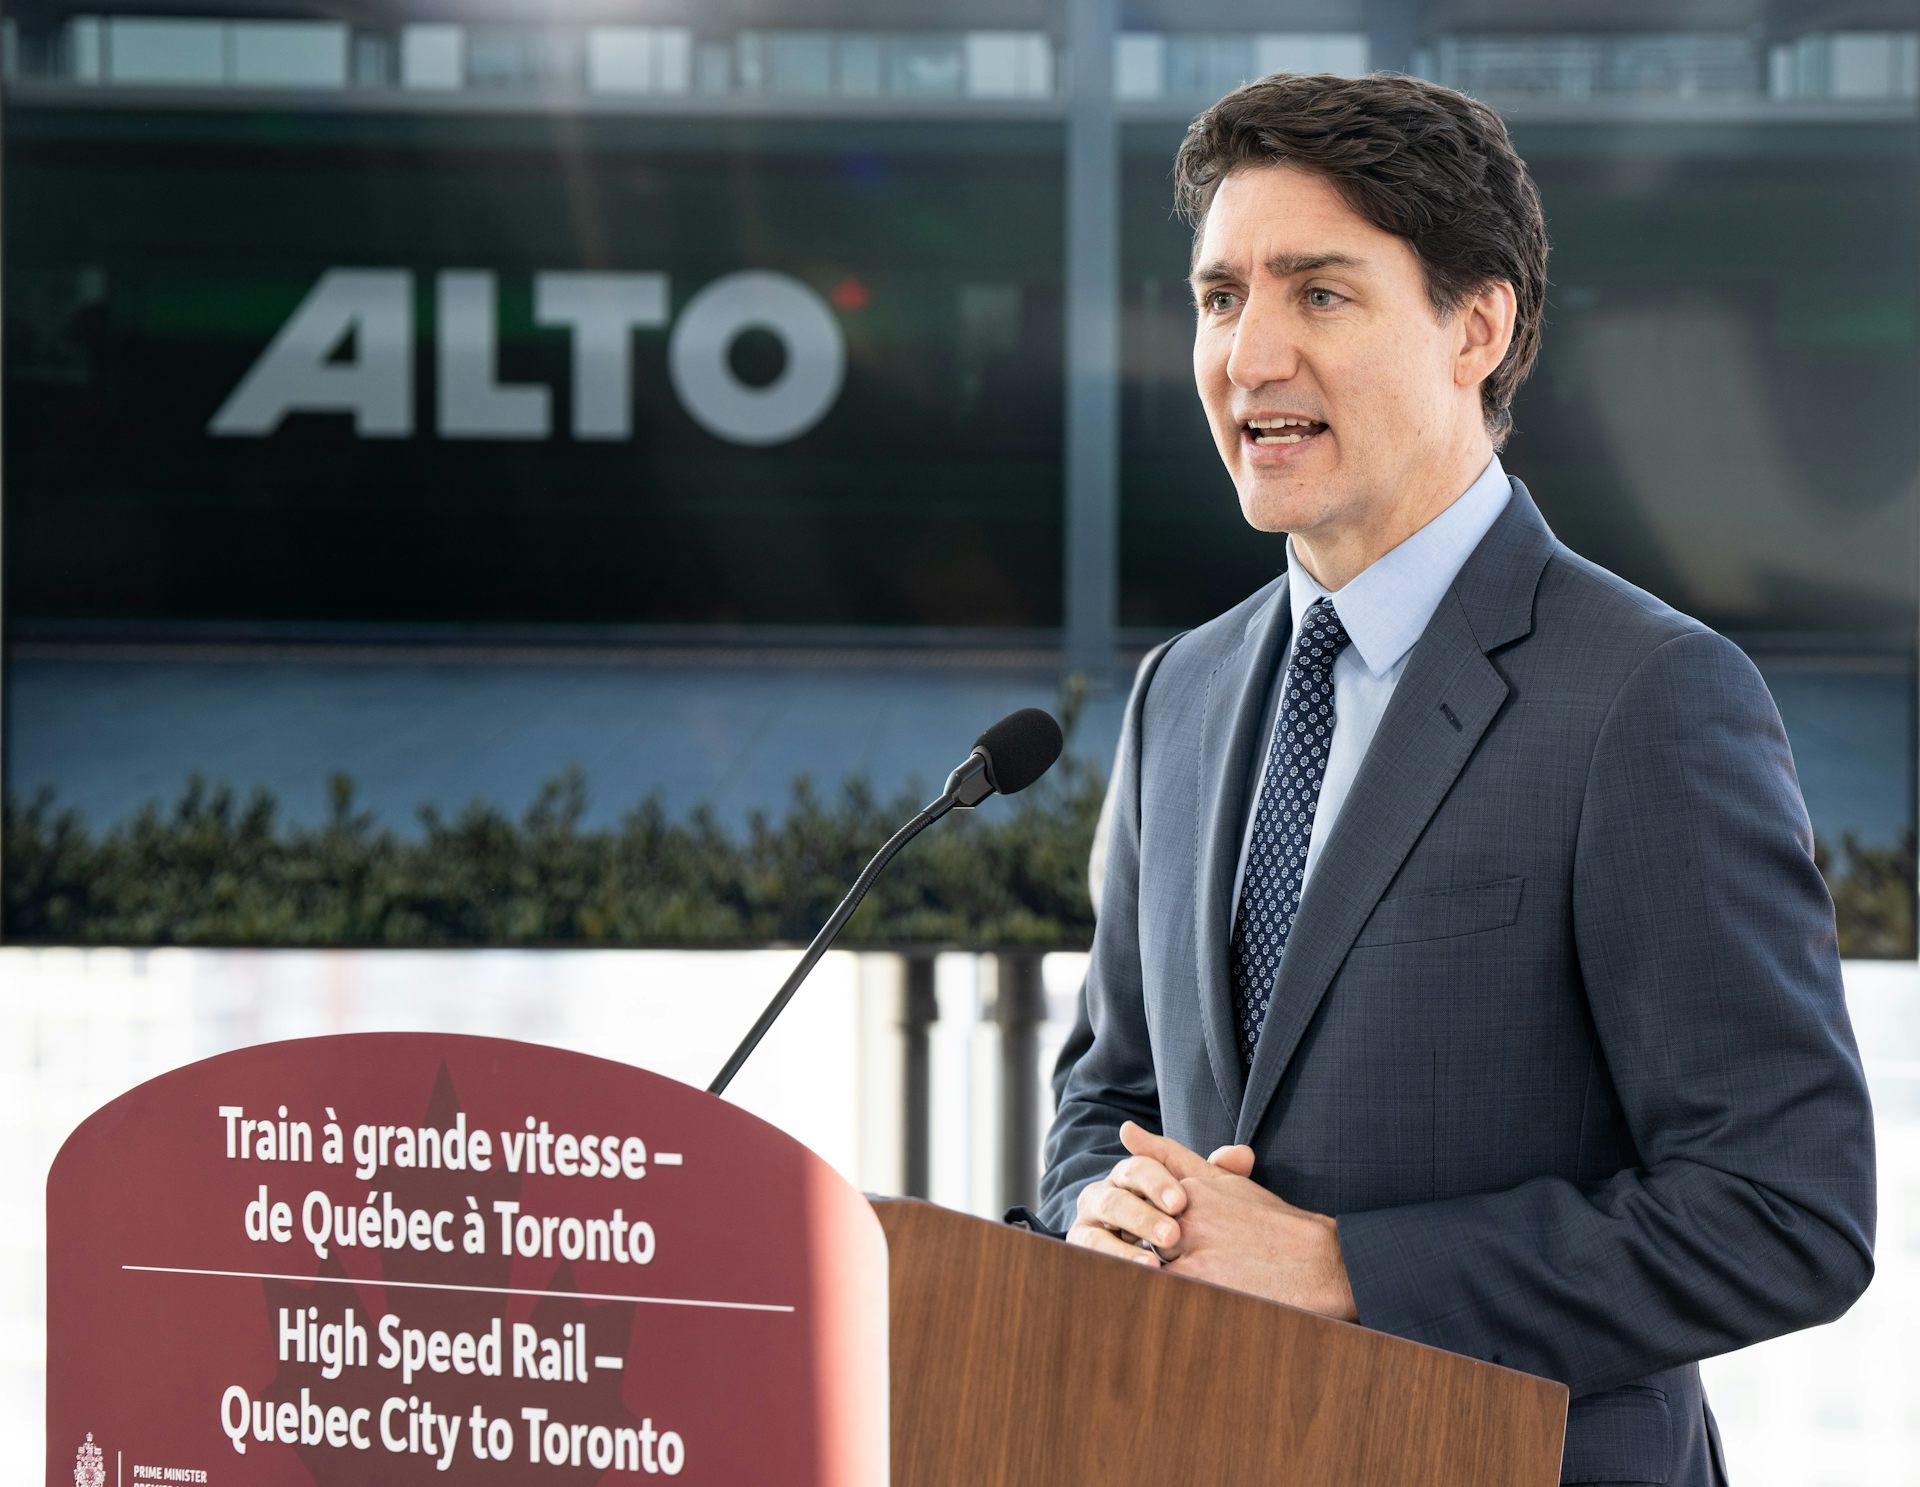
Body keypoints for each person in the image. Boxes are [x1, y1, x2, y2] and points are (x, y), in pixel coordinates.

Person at [1025, 71, 1875, 1487]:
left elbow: (1785, 1214)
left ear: (1477, 327)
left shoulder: (1651, 697)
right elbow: (1105, 1096)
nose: (1248, 355)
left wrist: (1341, 1269)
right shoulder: (1183, 693)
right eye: (1221, 297)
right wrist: (1101, 1213)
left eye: (1320, 294)